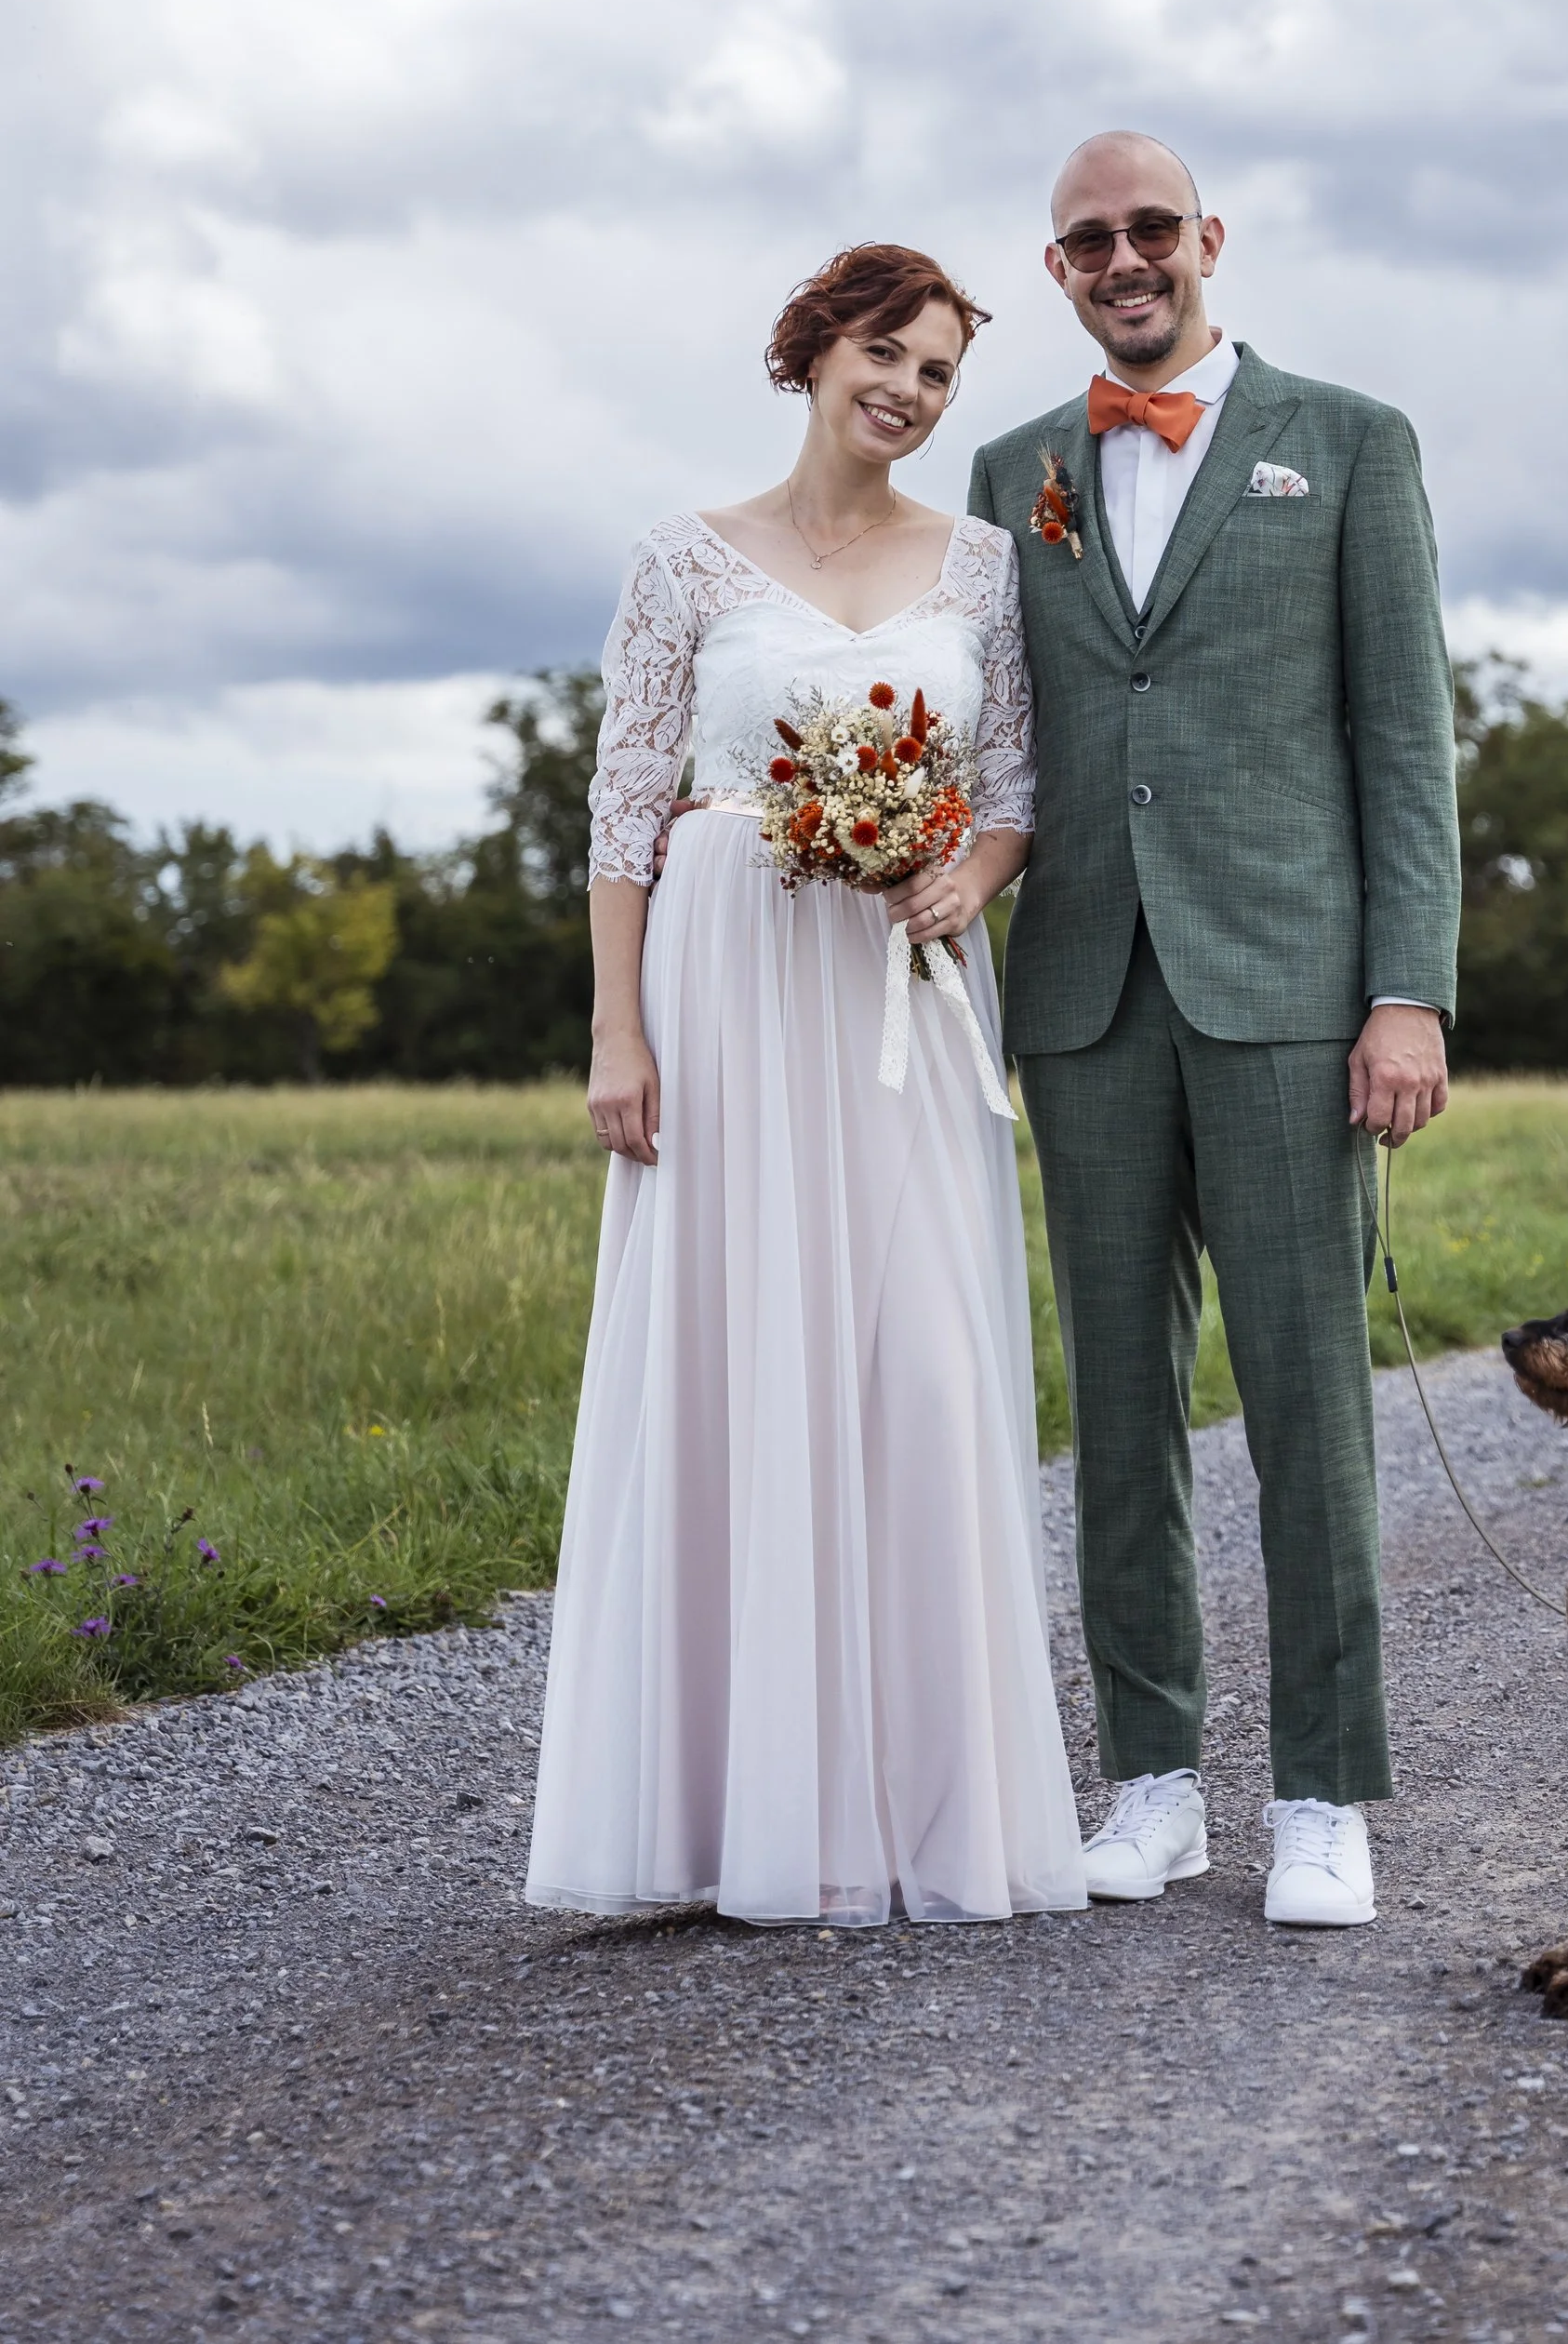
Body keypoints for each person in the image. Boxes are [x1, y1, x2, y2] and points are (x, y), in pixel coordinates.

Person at [525, 245, 1087, 1928]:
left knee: (921, 1364)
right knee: (730, 1362)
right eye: (883, 352)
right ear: (813, 349)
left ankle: (920, 1807)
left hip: (898, 1000)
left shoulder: (984, 565)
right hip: (720, 982)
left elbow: (1014, 787)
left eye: (936, 372)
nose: (907, 390)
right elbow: (627, 808)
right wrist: (618, 1032)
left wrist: (967, 881)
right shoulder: (684, 559)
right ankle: (726, 1811)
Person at [965, 134, 1461, 1927]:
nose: (1125, 259)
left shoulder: (1350, 442)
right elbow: (992, 731)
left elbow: (1407, 744)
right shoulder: (1012, 467)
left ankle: (1325, 1792)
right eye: (1090, 240)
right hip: (1087, 989)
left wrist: (1407, 989)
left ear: (1207, 240)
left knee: (1310, 1401)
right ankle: (1155, 1779)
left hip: (1290, 995)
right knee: (1115, 1404)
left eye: (1151, 229)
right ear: (1059, 268)